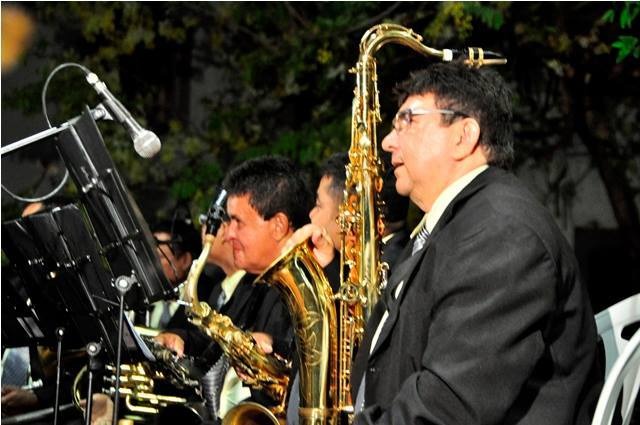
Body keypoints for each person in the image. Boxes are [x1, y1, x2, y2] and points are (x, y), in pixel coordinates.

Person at [288, 60, 602, 424]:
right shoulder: (461, 223)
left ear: (463, 136)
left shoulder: (500, 233)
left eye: (407, 121)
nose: (388, 142)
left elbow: (447, 408)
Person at [146, 217, 202, 330]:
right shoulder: (145, 299)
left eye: (160, 257)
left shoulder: (202, 300)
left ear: (185, 261)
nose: (152, 263)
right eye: (150, 257)